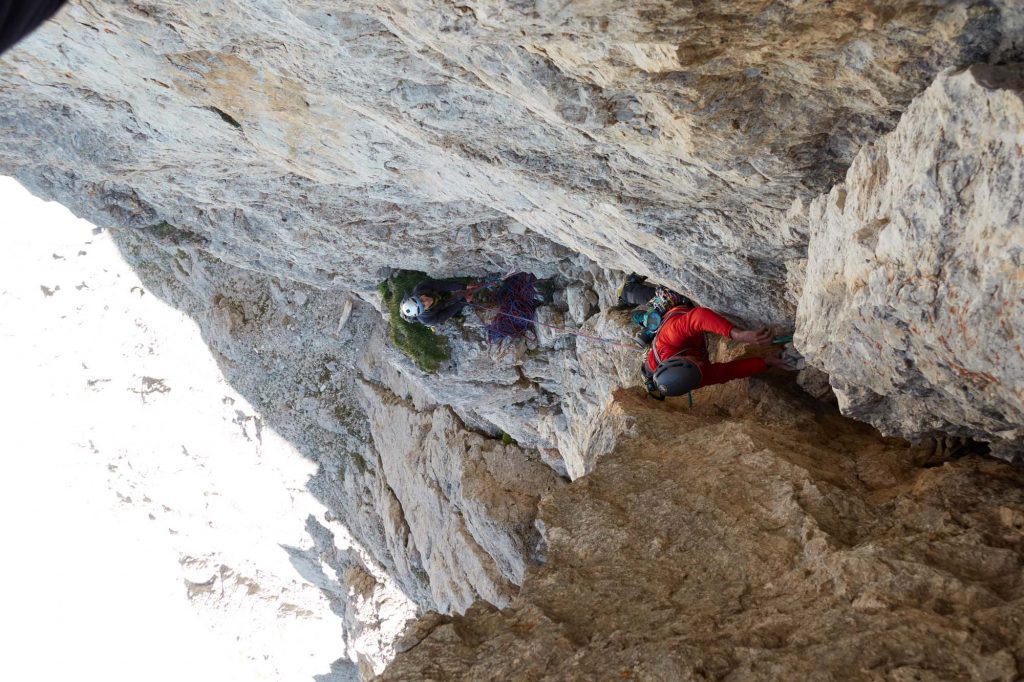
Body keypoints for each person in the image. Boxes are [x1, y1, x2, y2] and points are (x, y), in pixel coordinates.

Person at [643, 303, 792, 399]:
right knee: (662, 379)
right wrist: (765, 362)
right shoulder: (692, 376)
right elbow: (727, 372)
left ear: (681, 358)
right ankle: (652, 379)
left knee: (649, 368)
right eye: (699, 368)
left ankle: (647, 371)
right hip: (670, 364)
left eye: (695, 363)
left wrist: (738, 335)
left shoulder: (668, 340)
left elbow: (698, 317)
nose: (702, 364)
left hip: (677, 316)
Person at [400, 278, 474, 327]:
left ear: (419, 296)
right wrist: (464, 301)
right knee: (452, 309)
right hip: (438, 309)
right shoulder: (428, 319)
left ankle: (441, 297)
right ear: (424, 310)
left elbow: (442, 286)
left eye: (421, 300)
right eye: (424, 306)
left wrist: (464, 286)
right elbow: (448, 312)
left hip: (434, 295)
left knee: (443, 295)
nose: (426, 301)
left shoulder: (421, 288)